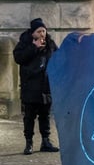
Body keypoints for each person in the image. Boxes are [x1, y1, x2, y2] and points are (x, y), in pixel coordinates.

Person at [13, 18, 60, 155]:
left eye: (44, 31)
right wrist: (34, 48)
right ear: (33, 33)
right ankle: (29, 143)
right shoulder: (25, 43)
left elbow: (58, 57)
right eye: (39, 31)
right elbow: (18, 58)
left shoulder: (50, 44)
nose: (42, 34)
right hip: (30, 87)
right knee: (29, 117)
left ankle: (46, 141)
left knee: (45, 115)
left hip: (46, 86)